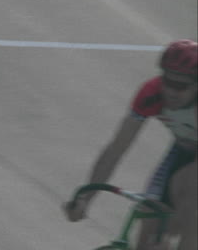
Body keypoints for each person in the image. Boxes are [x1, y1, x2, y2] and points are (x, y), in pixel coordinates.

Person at [63, 39, 197, 250]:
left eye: (180, 86)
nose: (171, 91)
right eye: (167, 81)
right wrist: (86, 197)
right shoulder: (151, 93)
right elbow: (115, 149)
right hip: (184, 150)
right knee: (150, 220)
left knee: (189, 194)